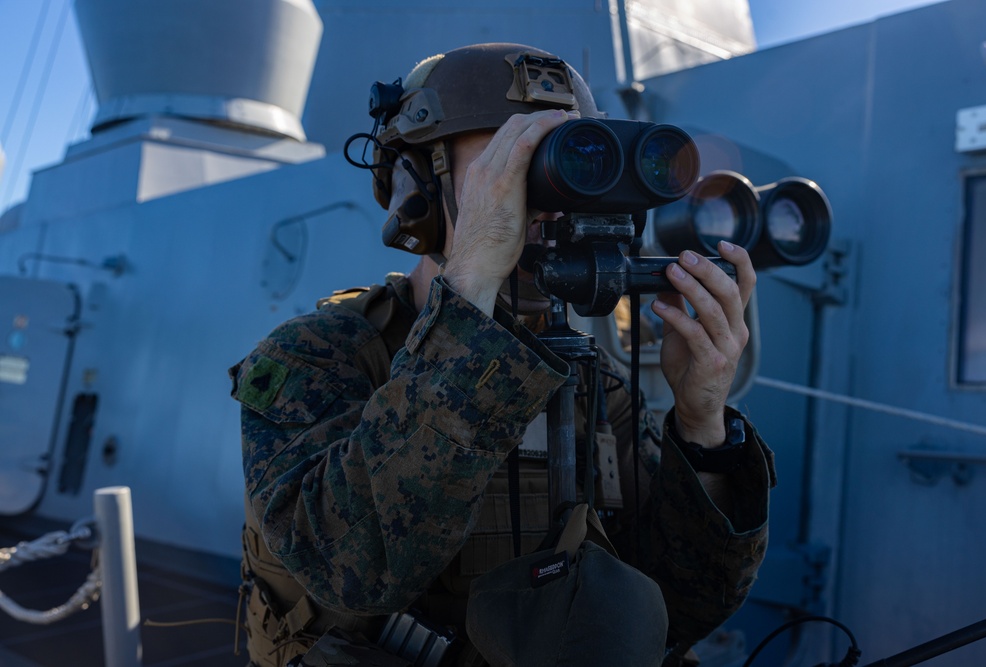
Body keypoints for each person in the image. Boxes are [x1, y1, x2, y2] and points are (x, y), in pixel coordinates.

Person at [230, 42, 776, 667]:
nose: (548, 206)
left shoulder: (588, 383)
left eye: (570, 166)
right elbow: (353, 570)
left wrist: (702, 422)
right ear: (417, 188)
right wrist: (469, 294)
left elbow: (688, 605)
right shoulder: (318, 357)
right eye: (510, 165)